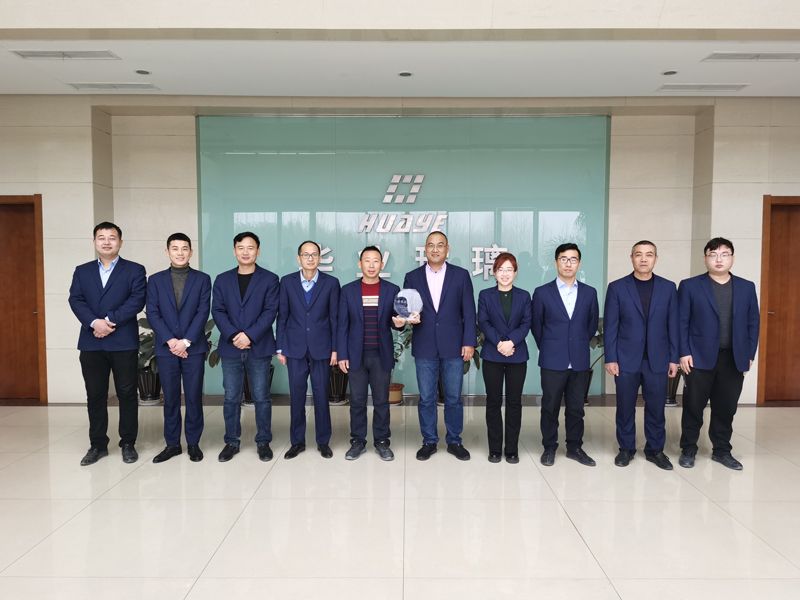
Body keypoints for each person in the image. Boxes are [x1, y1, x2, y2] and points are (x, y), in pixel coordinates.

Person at [677, 237, 759, 471]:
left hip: (733, 358)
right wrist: (684, 352)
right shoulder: (690, 286)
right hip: (697, 358)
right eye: (713, 254)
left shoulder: (746, 287)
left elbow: (753, 322)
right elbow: (681, 322)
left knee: (726, 407)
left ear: (732, 257)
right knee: (693, 406)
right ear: (705, 259)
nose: (719, 259)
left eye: (724, 254)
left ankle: (722, 450)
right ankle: (688, 449)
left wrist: (749, 353)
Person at [68, 222, 146, 466]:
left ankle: (128, 443)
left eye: (112, 237)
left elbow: (137, 300)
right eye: (101, 237)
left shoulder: (134, 270)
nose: (106, 242)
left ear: (120, 242)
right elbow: (76, 299)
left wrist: (109, 321)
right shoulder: (82, 271)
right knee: (95, 395)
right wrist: (94, 323)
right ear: (94, 242)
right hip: (91, 342)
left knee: (127, 393)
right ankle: (98, 445)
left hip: (123, 341)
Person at [400, 231, 476, 461]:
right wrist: (408, 318)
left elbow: (469, 312)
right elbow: (406, 309)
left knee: (453, 397)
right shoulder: (412, 277)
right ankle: (429, 441)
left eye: (440, 245)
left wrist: (469, 342)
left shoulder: (461, 276)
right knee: (426, 398)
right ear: (425, 249)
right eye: (431, 245)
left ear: (447, 249)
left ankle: (454, 441)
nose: (435, 249)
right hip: (424, 345)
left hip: (454, 345)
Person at [604, 241, 679, 470]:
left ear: (656, 258)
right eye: (638, 254)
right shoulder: (617, 287)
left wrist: (674, 358)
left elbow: (673, 324)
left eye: (649, 255)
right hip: (626, 358)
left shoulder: (668, 287)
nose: (644, 259)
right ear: (631, 258)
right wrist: (610, 357)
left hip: (658, 358)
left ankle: (655, 450)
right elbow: (611, 325)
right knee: (625, 406)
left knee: (656, 407)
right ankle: (626, 449)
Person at [211, 232, 279, 462]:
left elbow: (270, 311)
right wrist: (234, 335)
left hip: (258, 346)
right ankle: (231, 441)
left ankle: (263, 441)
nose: (246, 252)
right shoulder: (222, 279)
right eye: (241, 247)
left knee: (261, 396)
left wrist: (249, 335)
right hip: (231, 347)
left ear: (258, 251)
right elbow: (218, 310)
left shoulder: (270, 279)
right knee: (231, 396)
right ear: (234, 251)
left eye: (250, 248)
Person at [531, 242, 599, 467]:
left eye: (573, 259)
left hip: (579, 359)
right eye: (563, 259)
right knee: (549, 407)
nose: (568, 263)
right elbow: (537, 326)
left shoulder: (589, 293)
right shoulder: (542, 293)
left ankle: (574, 447)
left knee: (576, 408)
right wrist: (551, 346)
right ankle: (549, 447)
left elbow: (591, 326)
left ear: (579, 263)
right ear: (556, 262)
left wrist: (576, 344)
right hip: (552, 359)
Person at [146, 233, 211, 463]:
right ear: (167, 252)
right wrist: (171, 341)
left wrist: (186, 341)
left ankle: (193, 443)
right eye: (175, 248)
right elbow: (152, 312)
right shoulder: (155, 280)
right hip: (167, 349)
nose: (180, 253)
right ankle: (172, 444)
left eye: (185, 248)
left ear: (191, 252)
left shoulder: (203, 279)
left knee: (193, 397)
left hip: (193, 348)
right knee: (171, 398)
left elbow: (202, 312)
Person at [277, 240, 340, 459]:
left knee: (322, 396)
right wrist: (280, 347)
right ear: (299, 258)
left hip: (322, 348)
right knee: (296, 397)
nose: (310, 258)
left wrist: (335, 349)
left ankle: (323, 441)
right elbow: (282, 316)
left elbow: (335, 319)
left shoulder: (331, 283)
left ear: (319, 258)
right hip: (294, 348)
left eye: (314, 254)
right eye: (306, 254)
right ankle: (297, 442)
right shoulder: (287, 282)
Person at [337, 246, 400, 461]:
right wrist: (342, 354)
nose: (371, 265)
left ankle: (382, 441)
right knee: (357, 400)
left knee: (381, 400)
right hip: (356, 354)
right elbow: (342, 325)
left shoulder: (392, 290)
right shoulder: (348, 291)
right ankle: (358, 441)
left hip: (381, 355)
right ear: (360, 264)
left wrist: (400, 322)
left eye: (375, 261)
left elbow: (397, 320)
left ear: (382, 264)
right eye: (367, 260)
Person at [477, 252, 531, 464]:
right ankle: (494, 449)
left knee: (514, 402)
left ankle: (511, 449)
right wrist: (500, 342)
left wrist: (511, 342)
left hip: (517, 356)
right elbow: (483, 321)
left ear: (515, 273)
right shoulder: (485, 295)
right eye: (501, 269)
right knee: (493, 401)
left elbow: (526, 323)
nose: (505, 274)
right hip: (493, 355)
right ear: (494, 272)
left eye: (509, 269)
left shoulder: (524, 296)